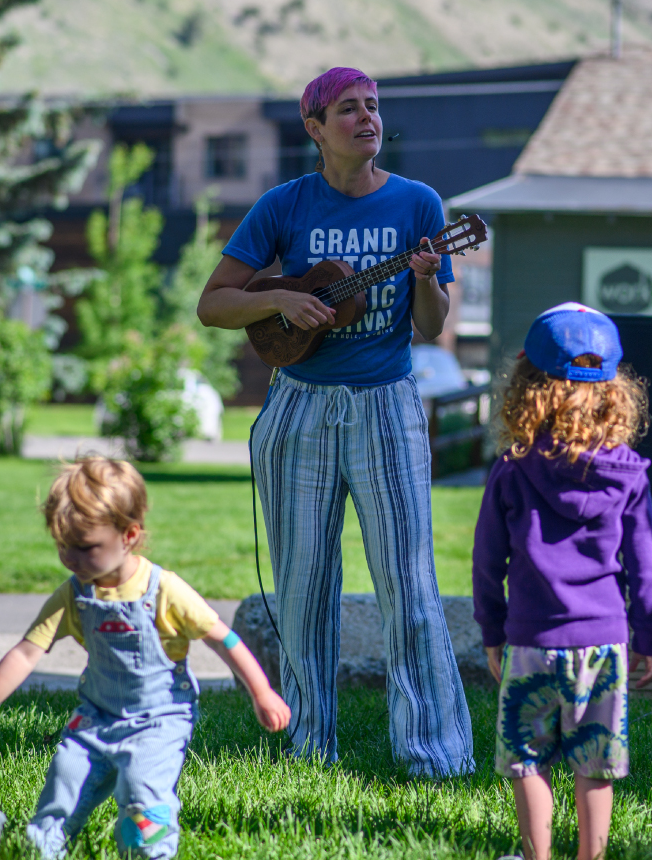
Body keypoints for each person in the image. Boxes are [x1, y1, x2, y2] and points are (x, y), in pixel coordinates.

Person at [197, 66, 473, 777]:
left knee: (408, 585)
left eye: (374, 107)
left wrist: (421, 276)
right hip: (299, 407)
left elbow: (436, 326)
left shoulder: (419, 204)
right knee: (303, 586)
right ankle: (308, 745)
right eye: (348, 109)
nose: (367, 118)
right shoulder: (283, 206)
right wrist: (282, 298)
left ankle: (434, 755)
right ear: (315, 128)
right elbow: (216, 303)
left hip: (386, 404)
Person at [0, 456, 289, 860]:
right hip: (96, 715)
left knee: (141, 788)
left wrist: (261, 692)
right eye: (62, 546)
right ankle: (41, 854)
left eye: (85, 548)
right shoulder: (74, 594)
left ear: (129, 535)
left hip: (159, 718)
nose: (71, 558)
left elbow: (223, 639)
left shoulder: (165, 590)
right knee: (65, 776)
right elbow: (29, 650)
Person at [472, 303, 652, 860]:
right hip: (603, 643)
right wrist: (646, 636)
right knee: (594, 764)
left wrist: (492, 630)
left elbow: (488, 561)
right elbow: (645, 566)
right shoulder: (629, 473)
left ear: (526, 386)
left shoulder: (512, 469)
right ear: (614, 393)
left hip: (529, 641)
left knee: (528, 763)